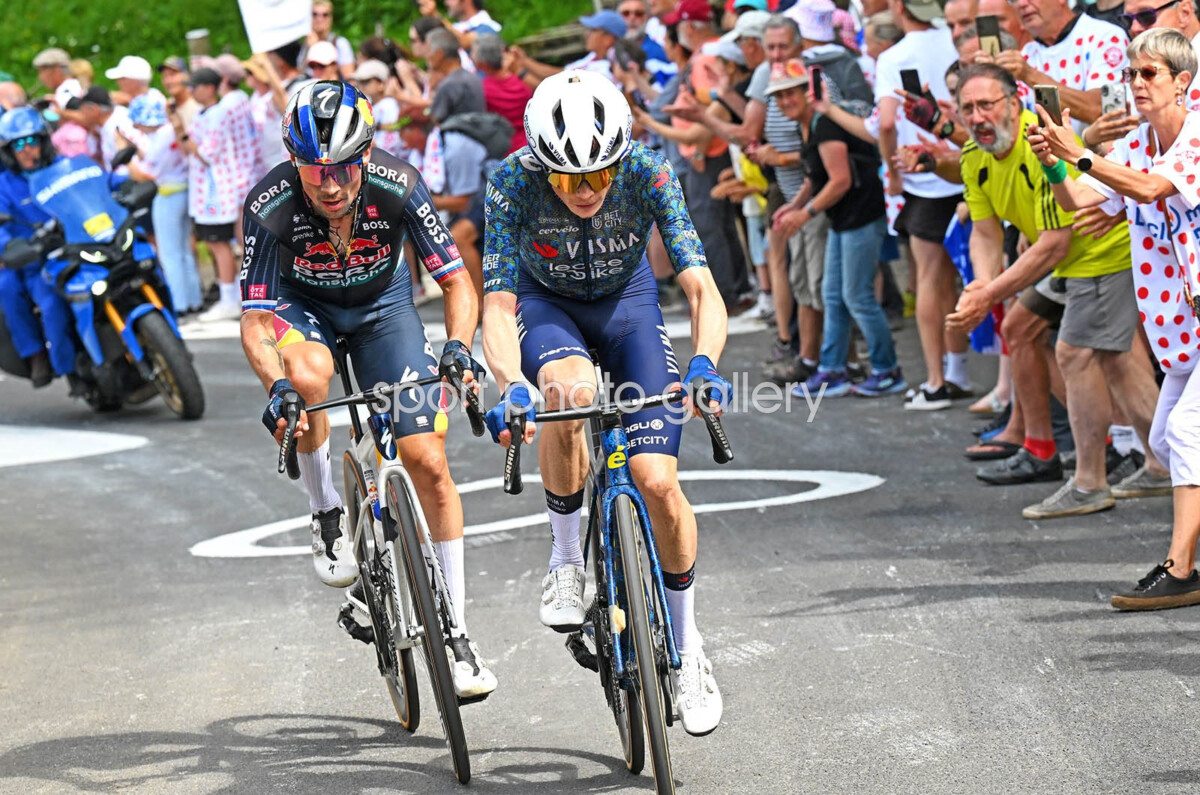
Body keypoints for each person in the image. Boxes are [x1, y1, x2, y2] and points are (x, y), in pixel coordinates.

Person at [481, 70, 730, 735]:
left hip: (628, 306)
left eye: (599, 175)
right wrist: (510, 383)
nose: (587, 191)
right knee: (569, 392)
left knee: (656, 479)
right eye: (568, 180)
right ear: (542, 164)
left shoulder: (648, 173)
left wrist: (705, 361)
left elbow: (701, 288)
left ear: (621, 157)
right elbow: (499, 307)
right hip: (549, 306)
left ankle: (688, 646)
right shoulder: (511, 182)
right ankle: (566, 560)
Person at [239, 80, 496, 697]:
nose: (329, 184)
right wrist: (277, 385)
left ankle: (456, 633)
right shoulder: (270, 203)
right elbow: (253, 320)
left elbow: (458, 282)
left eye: (343, 169)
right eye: (313, 169)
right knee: (307, 379)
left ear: (366, 156)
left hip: (385, 310)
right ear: (293, 160)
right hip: (305, 311)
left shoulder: (399, 184)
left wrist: (459, 347)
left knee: (427, 460)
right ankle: (325, 509)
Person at [1026, 29, 1200, 605]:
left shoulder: (1196, 136)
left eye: (1148, 74)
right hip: (1181, 326)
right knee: (1166, 442)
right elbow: (1079, 199)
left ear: (1182, 81)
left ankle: (1179, 571)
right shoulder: (1133, 145)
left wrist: (1077, 150)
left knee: (1185, 434)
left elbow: (1150, 190)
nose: (1136, 84)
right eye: (1131, 75)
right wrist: (1053, 160)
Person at [947, 63, 1165, 519]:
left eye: (987, 103)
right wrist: (981, 283)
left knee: (1073, 352)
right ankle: (1159, 463)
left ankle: (1090, 481)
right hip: (1074, 259)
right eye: (968, 108)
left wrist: (987, 296)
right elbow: (985, 235)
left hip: (1101, 254)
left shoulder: (1036, 141)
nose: (978, 115)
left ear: (1013, 102)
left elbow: (1053, 242)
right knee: (1103, 357)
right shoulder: (973, 153)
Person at [770, 60, 907, 397]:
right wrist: (797, 203)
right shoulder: (810, 124)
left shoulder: (825, 124)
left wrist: (806, 212)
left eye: (791, 93)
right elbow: (815, 176)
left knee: (857, 296)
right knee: (834, 294)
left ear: (808, 93)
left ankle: (887, 370)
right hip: (845, 218)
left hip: (861, 214)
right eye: (779, 96)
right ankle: (833, 369)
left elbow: (840, 180)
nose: (785, 101)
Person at [0, 108, 76, 387]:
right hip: (35, 260)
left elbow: (96, 184)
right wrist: (9, 249)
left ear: (44, 141)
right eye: (18, 144)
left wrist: (122, 186)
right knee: (39, 298)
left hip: (79, 246)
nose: (27, 149)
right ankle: (46, 359)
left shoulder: (65, 167)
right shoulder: (4, 185)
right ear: (9, 150)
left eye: (32, 141)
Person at [127, 94, 202, 315]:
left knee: (170, 253)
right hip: (183, 192)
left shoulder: (159, 138)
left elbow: (146, 173)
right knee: (185, 252)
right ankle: (193, 299)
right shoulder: (169, 132)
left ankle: (179, 304)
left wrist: (127, 157)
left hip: (167, 195)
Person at [301, 0, 356, 80]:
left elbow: (349, 79)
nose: (319, 19)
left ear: (331, 18)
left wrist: (316, 48)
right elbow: (300, 73)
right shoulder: (305, 44)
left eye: (325, 15)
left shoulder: (340, 43)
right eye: (315, 14)